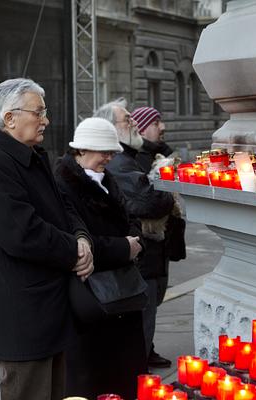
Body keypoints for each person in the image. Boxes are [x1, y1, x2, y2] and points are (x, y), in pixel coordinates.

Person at [0, 78, 94, 400]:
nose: (46, 120)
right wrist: (75, 250)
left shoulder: (31, 156)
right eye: (39, 113)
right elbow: (24, 234)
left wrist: (81, 238)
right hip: (23, 316)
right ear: (10, 118)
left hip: (48, 310)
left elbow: (64, 206)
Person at [54, 117, 148, 399]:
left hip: (122, 297)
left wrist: (134, 242)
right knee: (94, 379)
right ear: (81, 150)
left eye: (111, 152)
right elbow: (77, 241)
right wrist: (125, 248)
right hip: (92, 302)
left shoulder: (106, 180)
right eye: (103, 151)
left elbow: (131, 220)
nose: (109, 157)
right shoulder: (64, 185)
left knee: (125, 376)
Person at [94, 99, 175, 368]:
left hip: (146, 254)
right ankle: (139, 373)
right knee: (141, 321)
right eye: (128, 121)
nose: (134, 125)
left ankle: (141, 359)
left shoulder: (126, 158)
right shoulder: (119, 163)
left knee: (145, 318)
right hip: (139, 256)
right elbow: (149, 203)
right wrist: (168, 191)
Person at [130, 106, 174, 174]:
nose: (163, 127)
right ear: (141, 131)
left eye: (161, 122)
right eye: (156, 124)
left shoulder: (161, 151)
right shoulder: (137, 158)